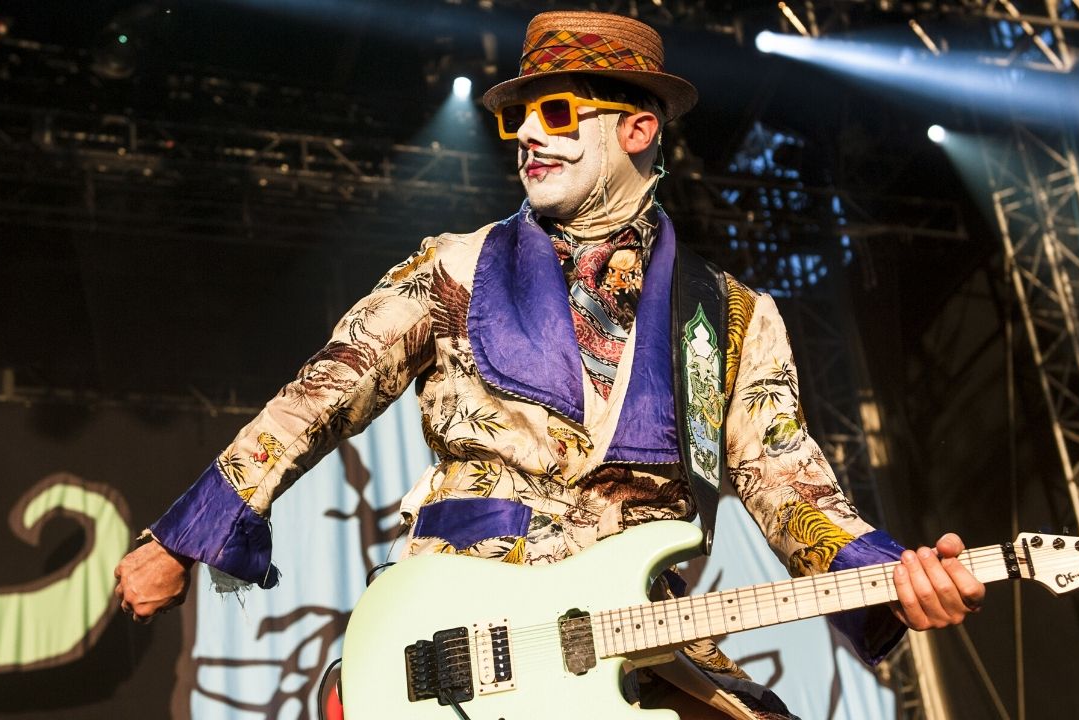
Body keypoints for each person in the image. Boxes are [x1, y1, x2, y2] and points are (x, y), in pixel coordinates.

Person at [114, 10, 984, 718]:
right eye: (516, 117)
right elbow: (314, 401)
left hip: (639, 635)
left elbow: (789, 483)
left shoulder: (734, 317)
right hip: (465, 631)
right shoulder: (452, 270)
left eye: (558, 113)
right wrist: (181, 540)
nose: (528, 135)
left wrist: (888, 579)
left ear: (638, 127)